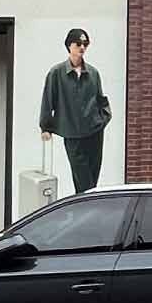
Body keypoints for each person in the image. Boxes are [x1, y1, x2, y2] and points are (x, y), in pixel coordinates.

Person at [39, 28, 111, 194]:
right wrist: (45, 127)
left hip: (94, 132)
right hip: (72, 134)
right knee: (83, 182)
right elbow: (48, 100)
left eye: (85, 44)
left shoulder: (93, 73)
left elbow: (101, 99)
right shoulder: (56, 73)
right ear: (69, 45)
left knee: (92, 180)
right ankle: (87, 211)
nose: (82, 47)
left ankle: (87, 212)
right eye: (78, 44)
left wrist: (103, 119)